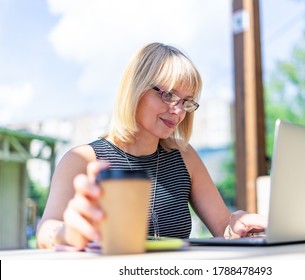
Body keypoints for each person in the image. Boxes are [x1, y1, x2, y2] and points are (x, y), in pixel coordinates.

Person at [36, 42, 266, 250]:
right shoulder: (82, 159)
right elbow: (46, 231)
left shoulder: (185, 156)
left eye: (186, 101)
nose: (178, 111)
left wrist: (236, 225)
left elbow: (223, 227)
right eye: (168, 95)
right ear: (135, 89)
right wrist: (67, 233)